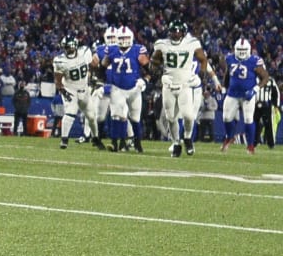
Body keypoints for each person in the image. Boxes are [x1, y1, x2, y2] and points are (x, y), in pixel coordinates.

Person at [150, 20, 215, 157]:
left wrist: (201, 75)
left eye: (179, 31)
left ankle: (187, 137)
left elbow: (203, 59)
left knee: (189, 116)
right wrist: (156, 71)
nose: (176, 34)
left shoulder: (191, 44)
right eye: (174, 31)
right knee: (171, 118)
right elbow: (154, 62)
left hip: (185, 84)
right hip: (169, 85)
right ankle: (176, 143)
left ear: (184, 32)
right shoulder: (162, 44)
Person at [102, 26, 150, 153]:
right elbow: (103, 65)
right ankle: (116, 142)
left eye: (126, 38)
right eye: (121, 38)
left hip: (134, 88)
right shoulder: (111, 50)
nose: (123, 41)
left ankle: (138, 142)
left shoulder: (137, 50)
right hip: (118, 88)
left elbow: (149, 68)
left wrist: (145, 80)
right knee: (118, 115)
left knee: (135, 118)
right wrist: (101, 80)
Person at [221, 37, 268, 154]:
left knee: (248, 119)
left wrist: (255, 89)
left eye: (244, 50)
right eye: (239, 50)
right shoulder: (230, 58)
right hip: (232, 93)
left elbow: (265, 77)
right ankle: (229, 137)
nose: (241, 53)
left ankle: (250, 146)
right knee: (226, 118)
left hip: (248, 94)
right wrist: (224, 87)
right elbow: (227, 74)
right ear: (235, 49)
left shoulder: (254, 60)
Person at [53, 35, 97, 150]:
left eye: (71, 47)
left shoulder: (85, 52)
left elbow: (92, 66)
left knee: (92, 116)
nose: (69, 50)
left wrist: (92, 77)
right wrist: (64, 92)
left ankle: (96, 138)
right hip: (70, 89)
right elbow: (58, 81)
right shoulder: (60, 60)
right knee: (70, 113)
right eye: (67, 47)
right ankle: (64, 140)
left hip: (84, 88)